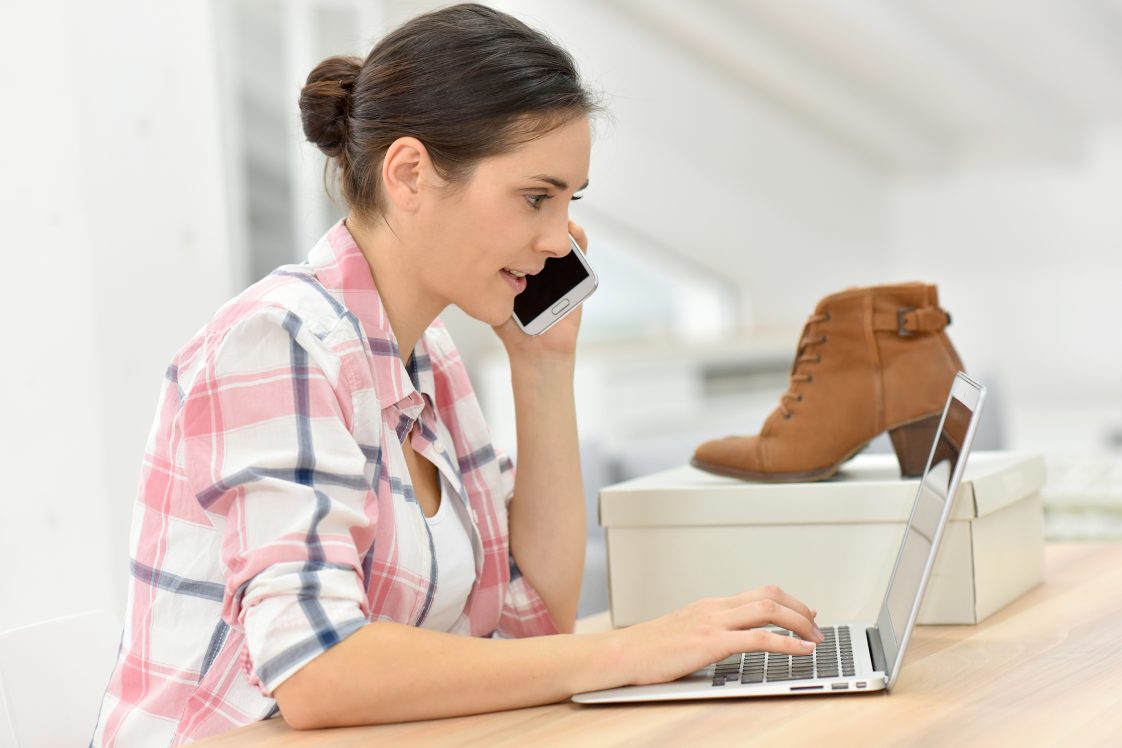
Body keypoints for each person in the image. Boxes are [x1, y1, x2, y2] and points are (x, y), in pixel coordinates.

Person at [91, 4, 822, 744]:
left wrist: (543, 367)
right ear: (409, 173)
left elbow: (533, 619)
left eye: (570, 201)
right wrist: (628, 651)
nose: (557, 239)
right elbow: (317, 671)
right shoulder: (278, 342)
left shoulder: (427, 358)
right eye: (537, 196)